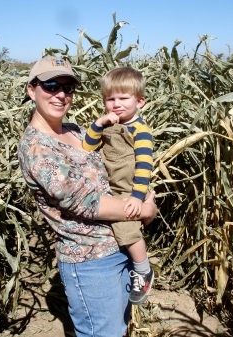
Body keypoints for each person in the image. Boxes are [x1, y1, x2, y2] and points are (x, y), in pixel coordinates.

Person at [17, 56, 157, 337]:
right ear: (32, 90)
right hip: (92, 263)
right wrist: (146, 210)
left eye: (68, 88)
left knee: (117, 329)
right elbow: (88, 203)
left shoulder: (74, 130)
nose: (60, 95)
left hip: (120, 248)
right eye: (51, 85)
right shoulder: (37, 148)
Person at [82, 67, 154, 305]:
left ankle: (143, 270)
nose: (116, 104)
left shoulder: (141, 131)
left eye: (123, 98)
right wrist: (98, 123)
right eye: (110, 99)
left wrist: (136, 196)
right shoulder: (106, 125)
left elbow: (144, 166)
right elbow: (86, 147)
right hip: (109, 186)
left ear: (140, 101)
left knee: (127, 231)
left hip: (129, 190)